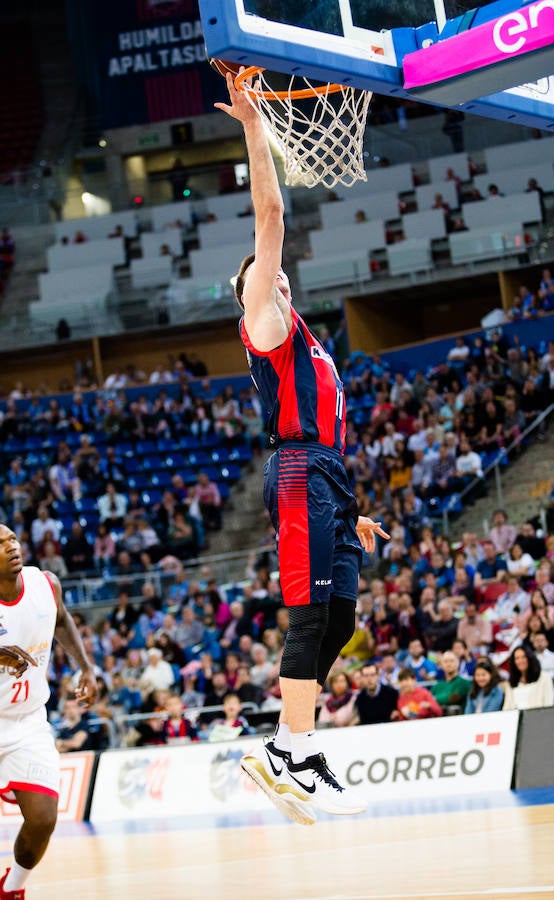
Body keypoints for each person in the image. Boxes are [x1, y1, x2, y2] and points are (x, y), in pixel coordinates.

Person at [216, 70, 389, 825]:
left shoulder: (309, 341)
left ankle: (294, 744)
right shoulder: (265, 324)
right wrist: (255, 126)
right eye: (262, 268)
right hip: (296, 471)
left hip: (328, 479)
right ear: (250, 289)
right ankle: (283, 748)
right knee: (311, 618)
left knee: (343, 616)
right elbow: (272, 210)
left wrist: (349, 510)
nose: (274, 268)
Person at [0, 523, 98, 899]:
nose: (12, 547)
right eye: (1, 543)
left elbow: (60, 618)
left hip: (27, 722)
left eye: (13, 539)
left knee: (43, 819)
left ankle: (11, 889)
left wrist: (85, 666)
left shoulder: (45, 583)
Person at [502, 646, 554, 710]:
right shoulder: (510, 683)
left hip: (538, 717)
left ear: (530, 658)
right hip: (516, 717)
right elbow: (506, 708)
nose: (520, 661)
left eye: (524, 657)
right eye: (517, 658)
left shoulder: (545, 678)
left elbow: (549, 704)